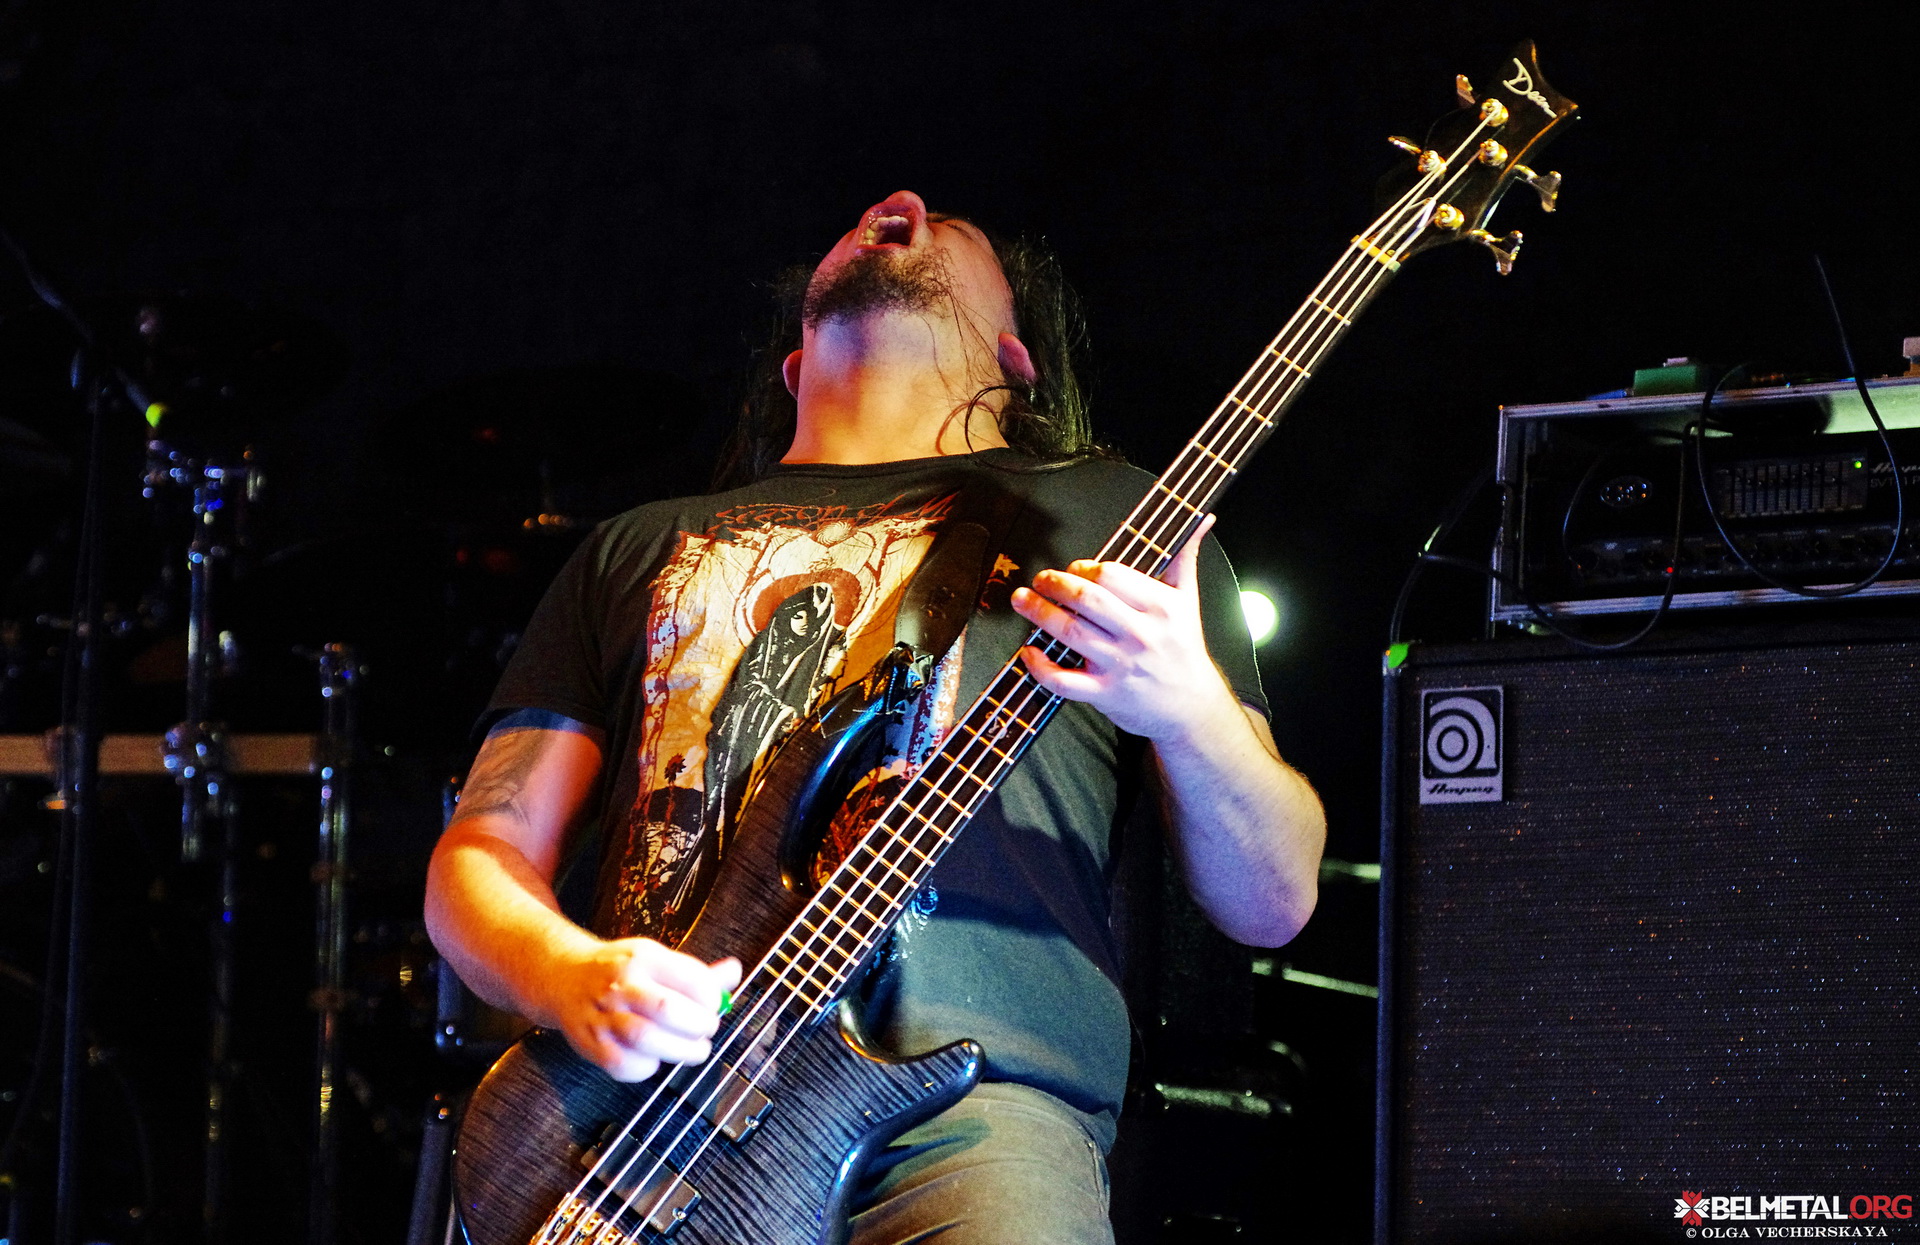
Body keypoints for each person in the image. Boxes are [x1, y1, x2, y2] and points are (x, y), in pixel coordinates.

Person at [424, 190, 1326, 1243]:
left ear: (1017, 358)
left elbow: (1274, 897)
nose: (902, 204)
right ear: (794, 366)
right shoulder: (633, 547)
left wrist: (1191, 710)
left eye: (960, 229)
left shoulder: (1117, 522)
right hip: (643, 1132)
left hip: (972, 1121)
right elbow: (481, 850)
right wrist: (571, 976)